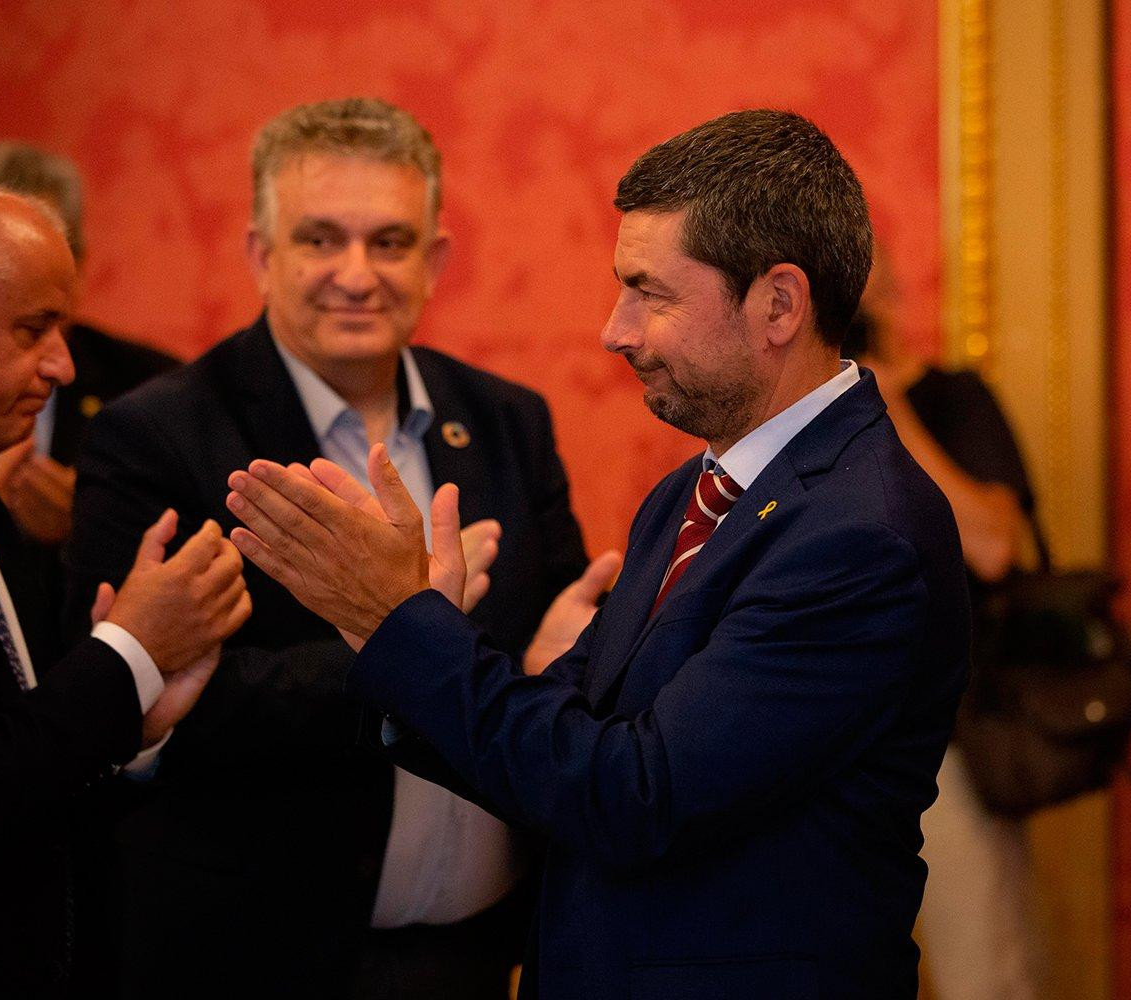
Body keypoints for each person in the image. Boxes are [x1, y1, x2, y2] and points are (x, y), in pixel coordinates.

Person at [226, 109, 972, 1000]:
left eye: (650, 294)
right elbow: (564, 735)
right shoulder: (692, 492)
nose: (614, 331)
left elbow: (633, 797)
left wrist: (400, 623)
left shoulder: (859, 537)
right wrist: (399, 635)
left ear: (779, 304)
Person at [66, 98, 608, 998]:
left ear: (434, 262)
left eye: (390, 243)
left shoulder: (510, 421)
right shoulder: (154, 437)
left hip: (487, 952)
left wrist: (571, 656)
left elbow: (539, 655)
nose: (357, 275)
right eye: (320, 240)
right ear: (259, 254)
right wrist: (407, 638)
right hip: (259, 960)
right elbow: (144, 700)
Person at [0, 178, 250, 997]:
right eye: (32, 328)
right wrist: (129, 651)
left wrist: (136, 725)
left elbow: (27, 778)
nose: (64, 365)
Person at [846, 261, 1041, 1000]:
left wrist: (890, 408)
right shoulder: (797, 418)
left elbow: (995, 547)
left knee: (983, 972)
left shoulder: (953, 402)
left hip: (946, 738)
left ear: (896, 297)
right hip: (820, 730)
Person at [0, 143, 176, 582]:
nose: (60, 368)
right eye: (1, 264)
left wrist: (85, 530)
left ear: (77, 263)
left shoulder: (152, 389)